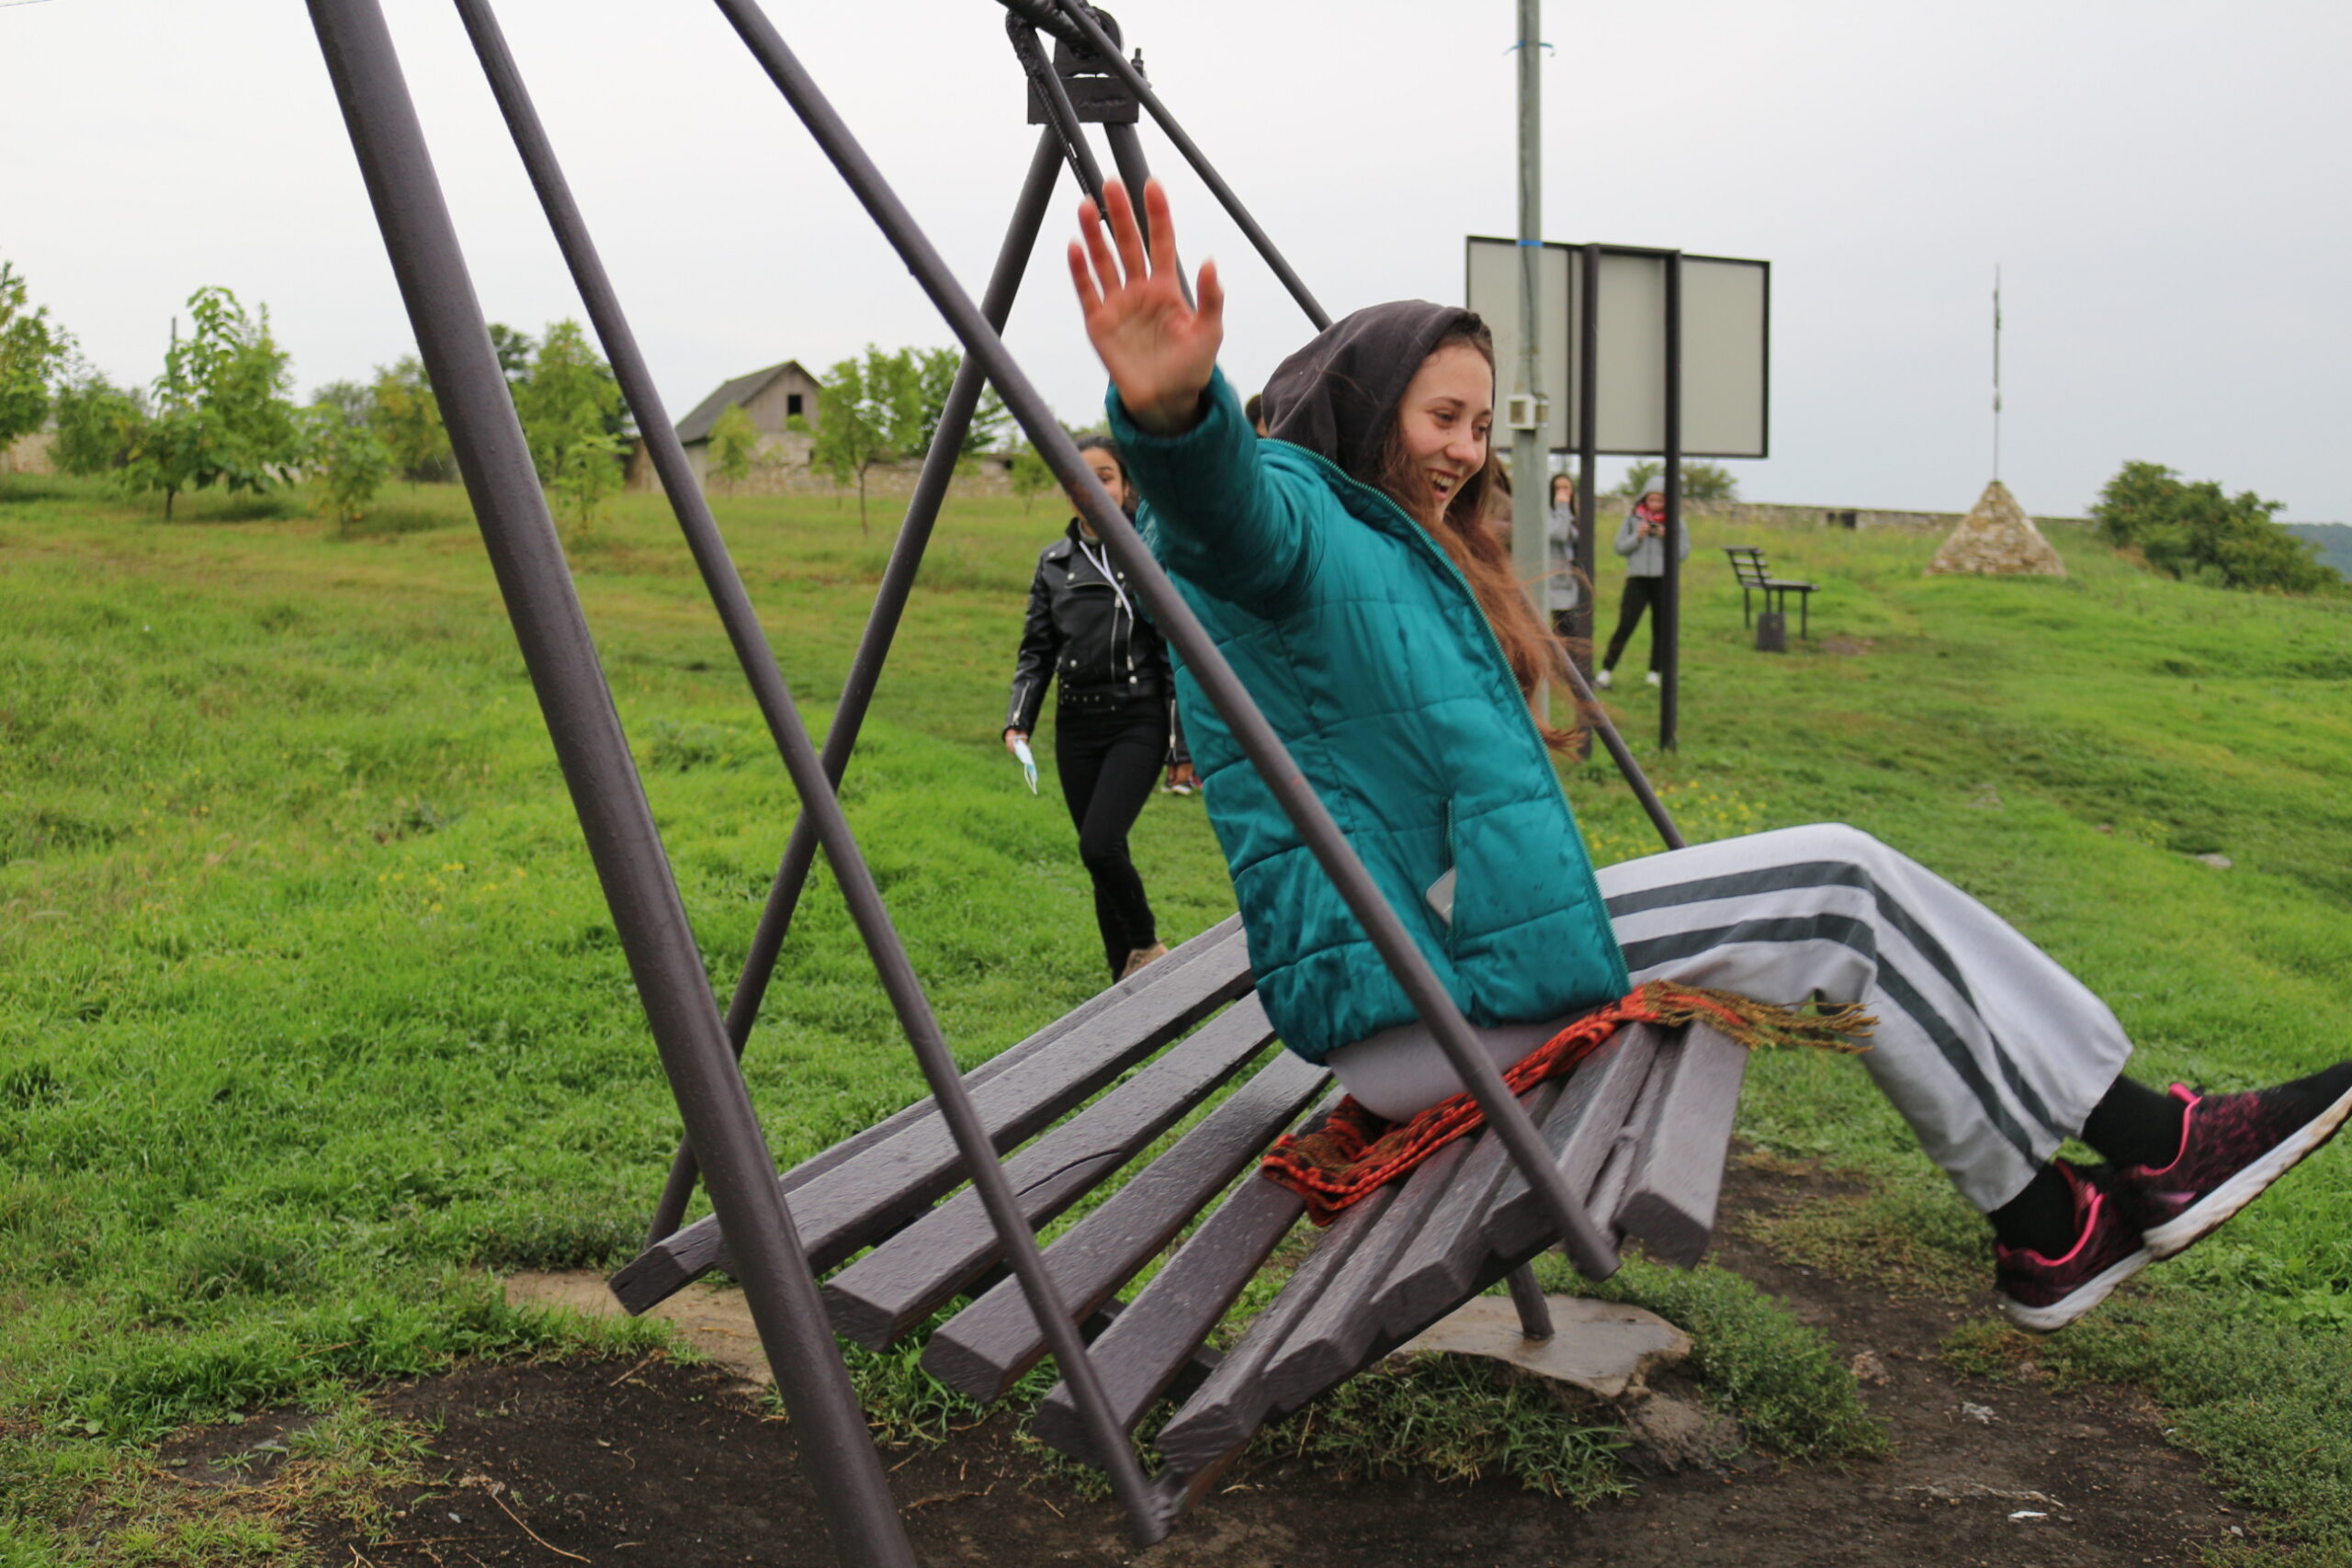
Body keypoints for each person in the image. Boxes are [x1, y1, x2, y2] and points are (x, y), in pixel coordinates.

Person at [1068, 176, 2351, 1332]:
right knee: (1833, 886)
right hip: (1425, 1005)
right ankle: (2130, 1159)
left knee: (1847, 882)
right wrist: (1172, 411)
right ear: (1364, 402)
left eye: (1479, 423)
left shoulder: (1394, 542)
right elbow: (1221, 506)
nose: (1466, 448)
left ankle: (2061, 1211)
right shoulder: (1291, 521)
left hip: (1455, 964)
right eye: (1442, 415)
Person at [1003, 434, 1194, 981]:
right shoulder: (1053, 563)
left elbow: (1174, 652)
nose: (1090, 486)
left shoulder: (1151, 553)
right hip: (1076, 727)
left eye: (1104, 476)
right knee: (1102, 859)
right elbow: (1036, 651)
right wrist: (1018, 720)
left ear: (1126, 485)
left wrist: (1180, 746)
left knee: (1100, 844)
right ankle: (1123, 979)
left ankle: (1146, 943)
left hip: (1138, 719)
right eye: (1078, 476)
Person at [1597, 486, 1685, 689]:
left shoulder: (1676, 522)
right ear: (1644, 500)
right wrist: (1637, 536)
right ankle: (1606, 670)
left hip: (1663, 580)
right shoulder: (1632, 520)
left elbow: (1682, 553)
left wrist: (1666, 537)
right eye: (1651, 500)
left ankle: (1655, 672)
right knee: (1625, 625)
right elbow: (1619, 548)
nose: (1655, 504)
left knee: (1661, 627)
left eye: (1659, 500)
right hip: (1637, 580)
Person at [1544, 471, 1581, 632]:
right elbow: (1559, 534)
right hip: (1553, 581)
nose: (1562, 493)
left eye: (1566, 488)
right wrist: (1561, 506)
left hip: (1570, 580)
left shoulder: (1573, 515)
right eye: (1558, 488)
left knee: (1568, 631)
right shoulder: (1548, 513)